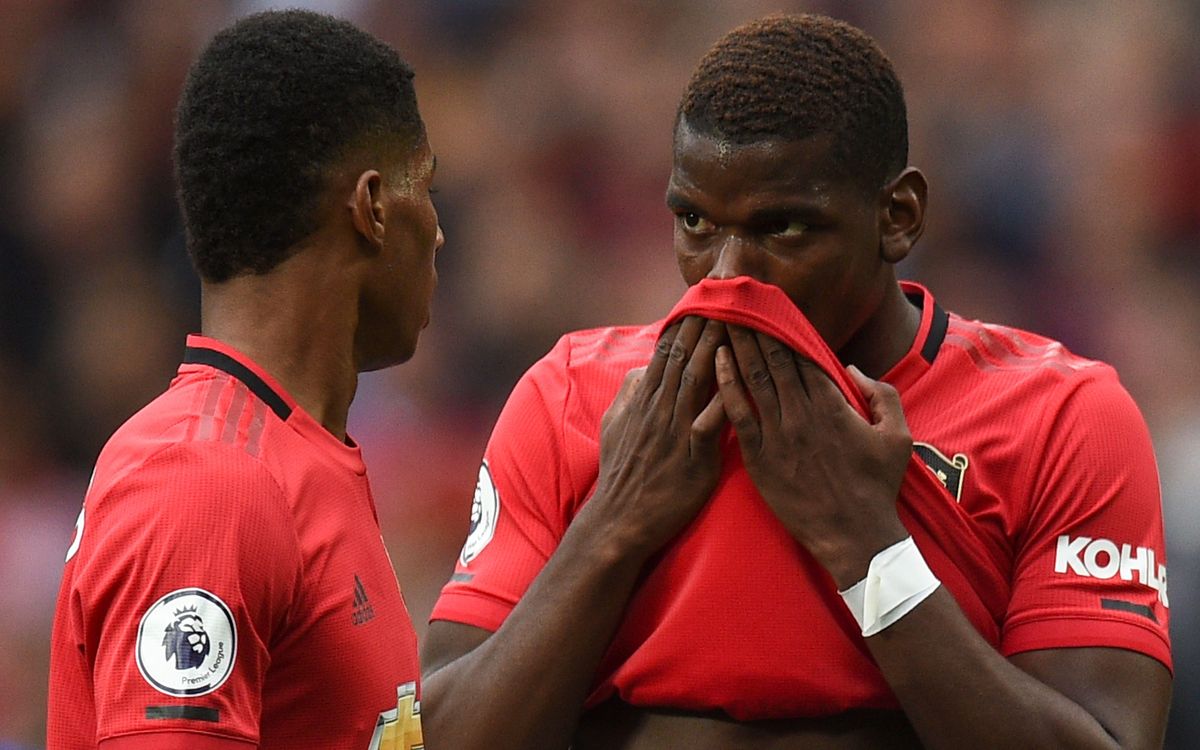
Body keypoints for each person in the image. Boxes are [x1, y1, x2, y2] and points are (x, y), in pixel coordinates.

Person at [420, 12, 1172, 749]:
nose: (726, 276)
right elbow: (443, 736)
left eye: (782, 229)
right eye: (695, 223)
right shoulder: (571, 397)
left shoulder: (1063, 416)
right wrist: (615, 523)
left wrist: (865, 543)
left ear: (898, 217)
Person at [47, 10, 441, 749]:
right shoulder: (206, 483)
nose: (441, 229)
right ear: (374, 207)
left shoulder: (294, 459)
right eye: (429, 186)